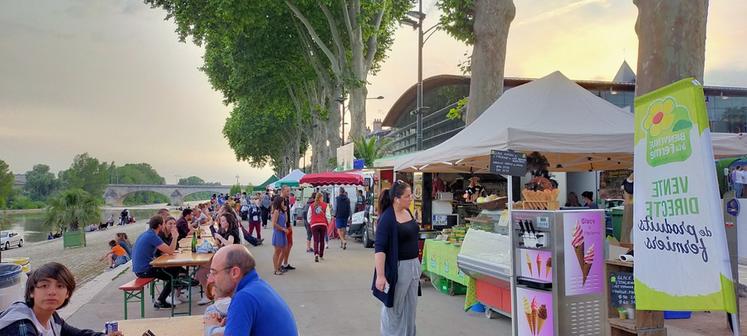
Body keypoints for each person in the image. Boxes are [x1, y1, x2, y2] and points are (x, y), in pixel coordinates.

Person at [0, 262, 123, 336]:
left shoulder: (52, 318)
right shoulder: (21, 326)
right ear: (32, 291)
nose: (52, 292)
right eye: (44, 286)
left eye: (60, 286)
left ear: (67, 293)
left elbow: (75, 334)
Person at [210, 245, 297, 336]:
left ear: (235, 273)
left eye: (214, 272)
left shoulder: (243, 298)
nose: (211, 279)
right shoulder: (258, 286)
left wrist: (212, 328)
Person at [372, 181, 421, 336]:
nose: (411, 198)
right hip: (398, 268)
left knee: (410, 307)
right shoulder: (387, 218)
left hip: (413, 266)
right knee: (394, 308)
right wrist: (380, 276)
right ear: (396, 198)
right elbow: (379, 248)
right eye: (407, 196)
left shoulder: (408, 212)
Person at [132, 215, 182, 309]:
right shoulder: (152, 236)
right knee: (173, 275)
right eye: (164, 223)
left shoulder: (145, 234)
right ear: (160, 225)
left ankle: (178, 289)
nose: (164, 226)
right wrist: (175, 237)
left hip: (139, 268)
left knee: (175, 269)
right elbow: (170, 251)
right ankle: (161, 300)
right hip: (144, 270)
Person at [307, 193, 331, 263]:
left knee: (315, 240)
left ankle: (316, 254)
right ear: (321, 197)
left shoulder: (311, 205)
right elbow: (328, 216)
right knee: (322, 240)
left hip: (314, 224)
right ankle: (321, 255)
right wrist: (327, 223)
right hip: (323, 224)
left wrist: (310, 223)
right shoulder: (325, 205)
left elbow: (309, 216)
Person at [270, 196, 289, 275]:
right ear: (279, 202)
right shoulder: (276, 211)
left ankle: (278, 266)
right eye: (282, 201)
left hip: (283, 232)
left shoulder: (282, 211)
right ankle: (276, 269)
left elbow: (286, 220)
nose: (283, 203)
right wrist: (283, 229)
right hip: (278, 232)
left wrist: (285, 211)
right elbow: (274, 224)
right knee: (277, 251)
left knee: (284, 250)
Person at [279, 186, 295, 271]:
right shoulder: (279, 200)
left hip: (287, 225)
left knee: (289, 244)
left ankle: (285, 263)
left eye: (289, 191)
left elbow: (287, 213)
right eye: (287, 191)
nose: (289, 192)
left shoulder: (286, 199)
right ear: (282, 191)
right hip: (283, 226)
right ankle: (280, 264)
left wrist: (289, 223)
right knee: (284, 246)